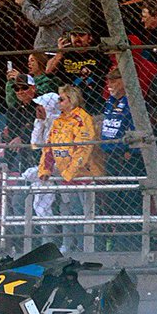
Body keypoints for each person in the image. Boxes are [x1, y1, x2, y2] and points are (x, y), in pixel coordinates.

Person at [39, 84, 102, 253]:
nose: (58, 102)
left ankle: (86, 248)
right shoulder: (58, 121)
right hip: (65, 175)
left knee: (82, 212)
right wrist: (45, 170)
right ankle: (68, 246)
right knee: (66, 210)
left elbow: (84, 149)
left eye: (61, 99)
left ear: (71, 100)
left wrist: (70, 173)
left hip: (84, 175)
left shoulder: (83, 119)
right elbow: (49, 147)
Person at [99, 66, 142, 250]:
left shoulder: (133, 102)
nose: (110, 85)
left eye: (114, 80)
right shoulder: (109, 101)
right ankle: (117, 241)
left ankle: (131, 242)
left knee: (130, 200)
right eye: (108, 81)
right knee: (114, 201)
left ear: (125, 82)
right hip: (110, 156)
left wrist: (129, 152)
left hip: (126, 158)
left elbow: (136, 128)